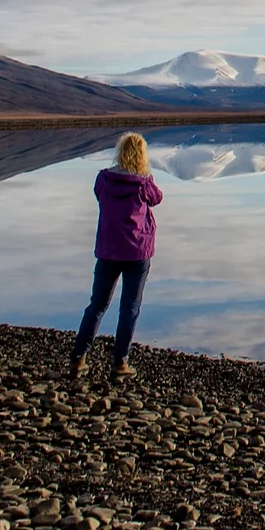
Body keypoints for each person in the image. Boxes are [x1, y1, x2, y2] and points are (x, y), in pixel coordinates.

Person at [70, 132, 163, 379]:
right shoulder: (144, 184)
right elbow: (157, 198)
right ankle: (119, 363)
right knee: (129, 308)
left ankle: (79, 358)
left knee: (97, 304)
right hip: (137, 251)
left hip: (108, 250)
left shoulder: (103, 179)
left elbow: (99, 194)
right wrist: (146, 175)